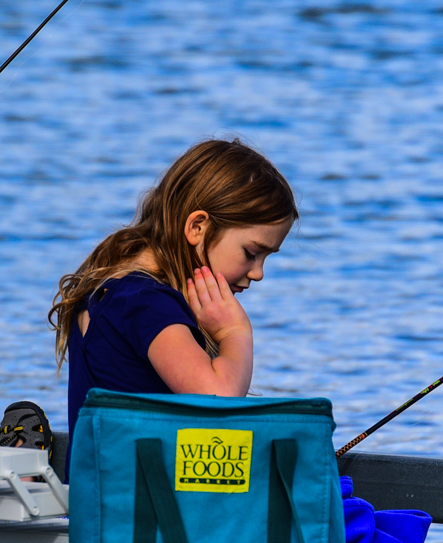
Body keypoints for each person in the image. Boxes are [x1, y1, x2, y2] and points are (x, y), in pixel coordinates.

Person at [49, 139, 298, 432]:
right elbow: (218, 401)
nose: (258, 273)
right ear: (197, 227)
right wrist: (235, 332)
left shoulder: (117, 290)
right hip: (135, 479)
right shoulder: (147, 304)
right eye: (252, 253)